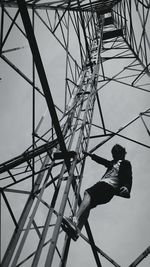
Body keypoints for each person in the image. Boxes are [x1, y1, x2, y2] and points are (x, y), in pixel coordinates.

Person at [66, 144, 133, 240]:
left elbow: (129, 176)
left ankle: (74, 220)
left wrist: (126, 187)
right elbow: (102, 161)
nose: (114, 156)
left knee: (87, 193)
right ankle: (77, 232)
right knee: (87, 207)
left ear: (121, 153)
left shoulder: (125, 163)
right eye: (113, 154)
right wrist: (90, 155)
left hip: (107, 185)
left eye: (115, 154)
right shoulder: (112, 163)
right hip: (107, 193)